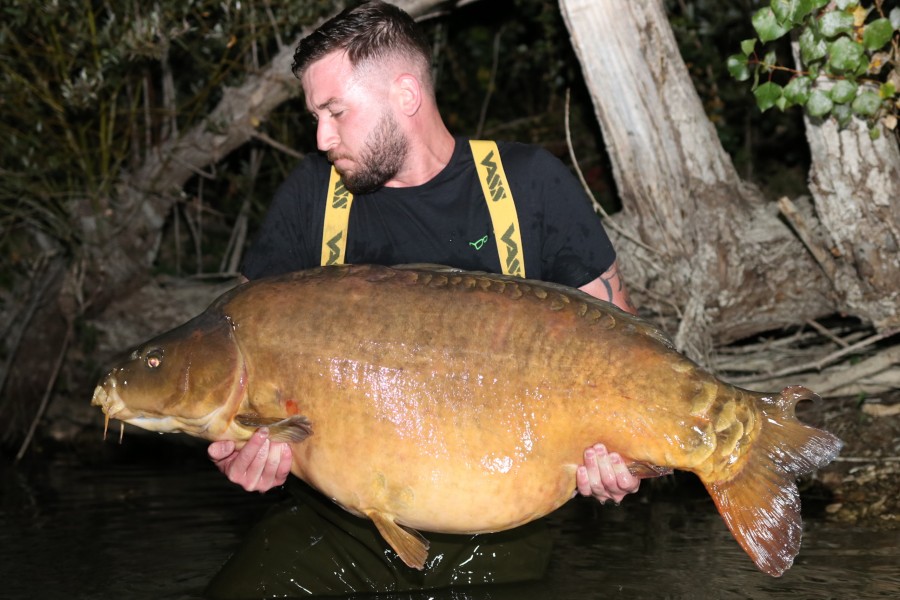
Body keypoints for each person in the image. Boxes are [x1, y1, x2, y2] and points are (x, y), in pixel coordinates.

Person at [205, 2, 640, 597]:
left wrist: (628, 462)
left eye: (335, 111)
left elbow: (627, 356)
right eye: (315, 116)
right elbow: (240, 354)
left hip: (500, 526)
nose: (321, 137)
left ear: (406, 94)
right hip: (342, 523)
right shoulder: (311, 196)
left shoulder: (529, 184)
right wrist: (241, 451)